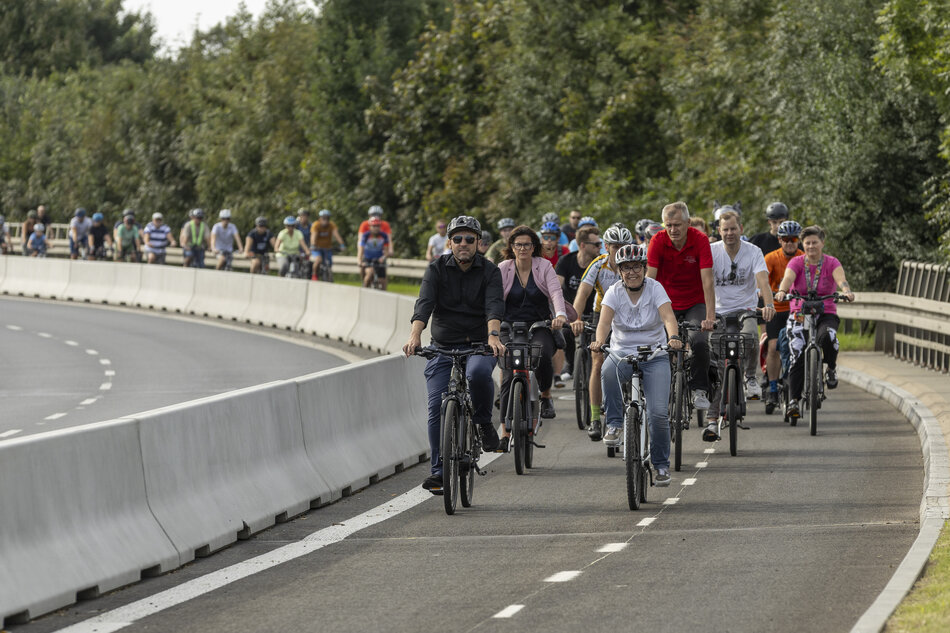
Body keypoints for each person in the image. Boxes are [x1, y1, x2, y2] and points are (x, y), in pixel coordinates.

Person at [402, 215, 505, 494]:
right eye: (457, 239)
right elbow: (424, 303)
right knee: (436, 405)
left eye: (469, 239)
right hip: (443, 345)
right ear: (449, 242)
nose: (463, 244)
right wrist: (415, 336)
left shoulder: (490, 271)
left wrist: (494, 336)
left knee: (479, 373)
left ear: (478, 243)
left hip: (480, 343)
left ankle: (483, 423)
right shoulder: (436, 269)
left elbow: (494, 306)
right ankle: (438, 471)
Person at [592, 244, 681, 486]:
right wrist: (599, 341)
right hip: (622, 353)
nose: (632, 272)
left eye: (637, 267)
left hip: (655, 355)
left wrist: (673, 337)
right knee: (607, 370)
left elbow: (668, 317)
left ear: (644, 268)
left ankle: (661, 466)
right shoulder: (613, 292)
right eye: (626, 268)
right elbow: (605, 322)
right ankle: (614, 424)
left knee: (658, 414)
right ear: (619, 271)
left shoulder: (655, 288)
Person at [702, 209, 775, 440]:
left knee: (752, 337)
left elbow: (763, 280)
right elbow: (705, 282)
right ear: (719, 231)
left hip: (746, 309)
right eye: (725, 230)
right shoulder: (711, 252)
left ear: (741, 229)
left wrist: (769, 304)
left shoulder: (753, 251)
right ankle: (712, 420)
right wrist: (709, 315)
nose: (729, 233)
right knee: (715, 366)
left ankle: (750, 377)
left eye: (733, 229)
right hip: (718, 312)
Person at [496, 226, 570, 450]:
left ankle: (546, 394)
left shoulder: (544, 266)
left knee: (543, 354)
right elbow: (495, 298)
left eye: (527, 244)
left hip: (540, 324)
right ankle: (505, 430)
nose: (523, 249)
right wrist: (492, 320)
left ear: (534, 247)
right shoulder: (503, 268)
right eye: (518, 245)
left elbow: (556, 293)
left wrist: (559, 315)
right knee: (508, 372)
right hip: (509, 325)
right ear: (511, 247)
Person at [774, 225, 855, 419]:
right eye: (807, 243)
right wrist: (782, 292)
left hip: (825, 311)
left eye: (814, 242)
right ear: (803, 244)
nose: (811, 246)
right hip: (800, 311)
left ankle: (831, 369)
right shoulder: (796, 263)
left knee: (829, 337)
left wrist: (846, 291)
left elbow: (841, 280)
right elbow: (787, 279)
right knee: (797, 351)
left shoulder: (831, 262)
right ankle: (793, 400)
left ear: (822, 243)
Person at [646, 201, 716, 412]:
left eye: (677, 225)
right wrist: (647, 313)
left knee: (700, 341)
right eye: (669, 225)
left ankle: (699, 389)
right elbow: (650, 279)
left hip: (695, 302)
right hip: (666, 302)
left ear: (688, 223)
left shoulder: (700, 240)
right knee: (662, 346)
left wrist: (710, 317)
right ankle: (662, 389)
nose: (673, 230)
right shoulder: (658, 241)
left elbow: (708, 281)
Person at [570, 224, 634, 439]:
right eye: (615, 246)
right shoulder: (598, 265)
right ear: (606, 246)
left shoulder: (635, 266)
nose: (619, 250)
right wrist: (576, 318)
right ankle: (596, 418)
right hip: (602, 314)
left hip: (629, 315)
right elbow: (583, 293)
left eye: (624, 245)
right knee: (598, 361)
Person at [762, 220, 804, 409]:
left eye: (793, 239)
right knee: (773, 347)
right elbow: (761, 283)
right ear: (779, 240)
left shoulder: (804, 258)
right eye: (785, 239)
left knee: (801, 345)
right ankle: (772, 388)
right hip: (776, 309)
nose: (789, 243)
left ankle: (795, 381)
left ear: (798, 241)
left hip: (798, 309)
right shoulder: (770, 258)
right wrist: (764, 295)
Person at [556, 225, 600, 380]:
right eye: (596, 244)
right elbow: (556, 288)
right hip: (571, 311)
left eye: (600, 244)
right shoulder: (566, 261)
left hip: (594, 311)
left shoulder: (599, 263)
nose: (599, 247)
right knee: (566, 332)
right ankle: (571, 363)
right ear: (582, 245)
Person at [310, 209, 345, 281]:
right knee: (318, 260)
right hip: (317, 248)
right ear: (320, 218)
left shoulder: (331, 225)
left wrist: (342, 244)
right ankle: (314, 275)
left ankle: (328, 276)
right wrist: (313, 245)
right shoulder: (316, 225)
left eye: (327, 218)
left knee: (329, 263)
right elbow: (314, 236)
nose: (325, 220)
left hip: (327, 248)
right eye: (323, 218)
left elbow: (336, 235)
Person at [358, 217, 390, 290]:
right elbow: (361, 249)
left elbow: (386, 251)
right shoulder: (366, 235)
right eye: (374, 226)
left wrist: (383, 258)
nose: (376, 228)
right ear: (370, 227)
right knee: (369, 274)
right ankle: (364, 289)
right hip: (368, 260)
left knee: (383, 283)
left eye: (378, 226)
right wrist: (359, 260)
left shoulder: (384, 236)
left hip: (379, 260)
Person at [295, 209, 313, 279]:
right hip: (297, 248)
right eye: (302, 216)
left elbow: (313, 236)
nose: (304, 218)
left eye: (305, 216)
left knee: (308, 263)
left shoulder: (310, 226)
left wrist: (312, 246)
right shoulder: (296, 225)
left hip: (307, 248)